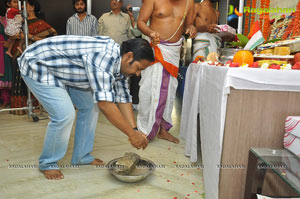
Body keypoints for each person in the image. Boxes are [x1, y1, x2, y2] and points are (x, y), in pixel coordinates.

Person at [18, 36, 154, 180]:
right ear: (129, 56)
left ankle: (81, 156)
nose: (138, 73)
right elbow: (105, 105)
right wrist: (132, 136)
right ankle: (48, 163)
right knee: (64, 114)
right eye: (138, 68)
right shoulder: (104, 57)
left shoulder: (121, 64)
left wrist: (134, 130)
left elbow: (123, 98)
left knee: (90, 106)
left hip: (66, 70)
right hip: (38, 63)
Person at [137, 0, 197, 144]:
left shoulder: (189, 2)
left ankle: (164, 130)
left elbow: (188, 24)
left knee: (169, 91)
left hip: (173, 51)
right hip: (154, 49)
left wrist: (191, 28)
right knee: (148, 90)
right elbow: (141, 22)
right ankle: (143, 131)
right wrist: (151, 33)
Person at [10, 0, 57, 115]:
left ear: (32, 8)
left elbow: (51, 40)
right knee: (18, 81)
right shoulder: (20, 22)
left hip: (33, 58)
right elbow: (11, 34)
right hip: (18, 55)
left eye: (25, 6)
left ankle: (36, 106)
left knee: (32, 82)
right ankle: (20, 108)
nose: (22, 8)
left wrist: (29, 36)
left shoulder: (40, 23)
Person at [0, 0, 12, 109]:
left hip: (5, 50)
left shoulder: (6, 19)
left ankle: (6, 100)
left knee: (5, 76)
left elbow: (12, 33)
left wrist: (8, 43)